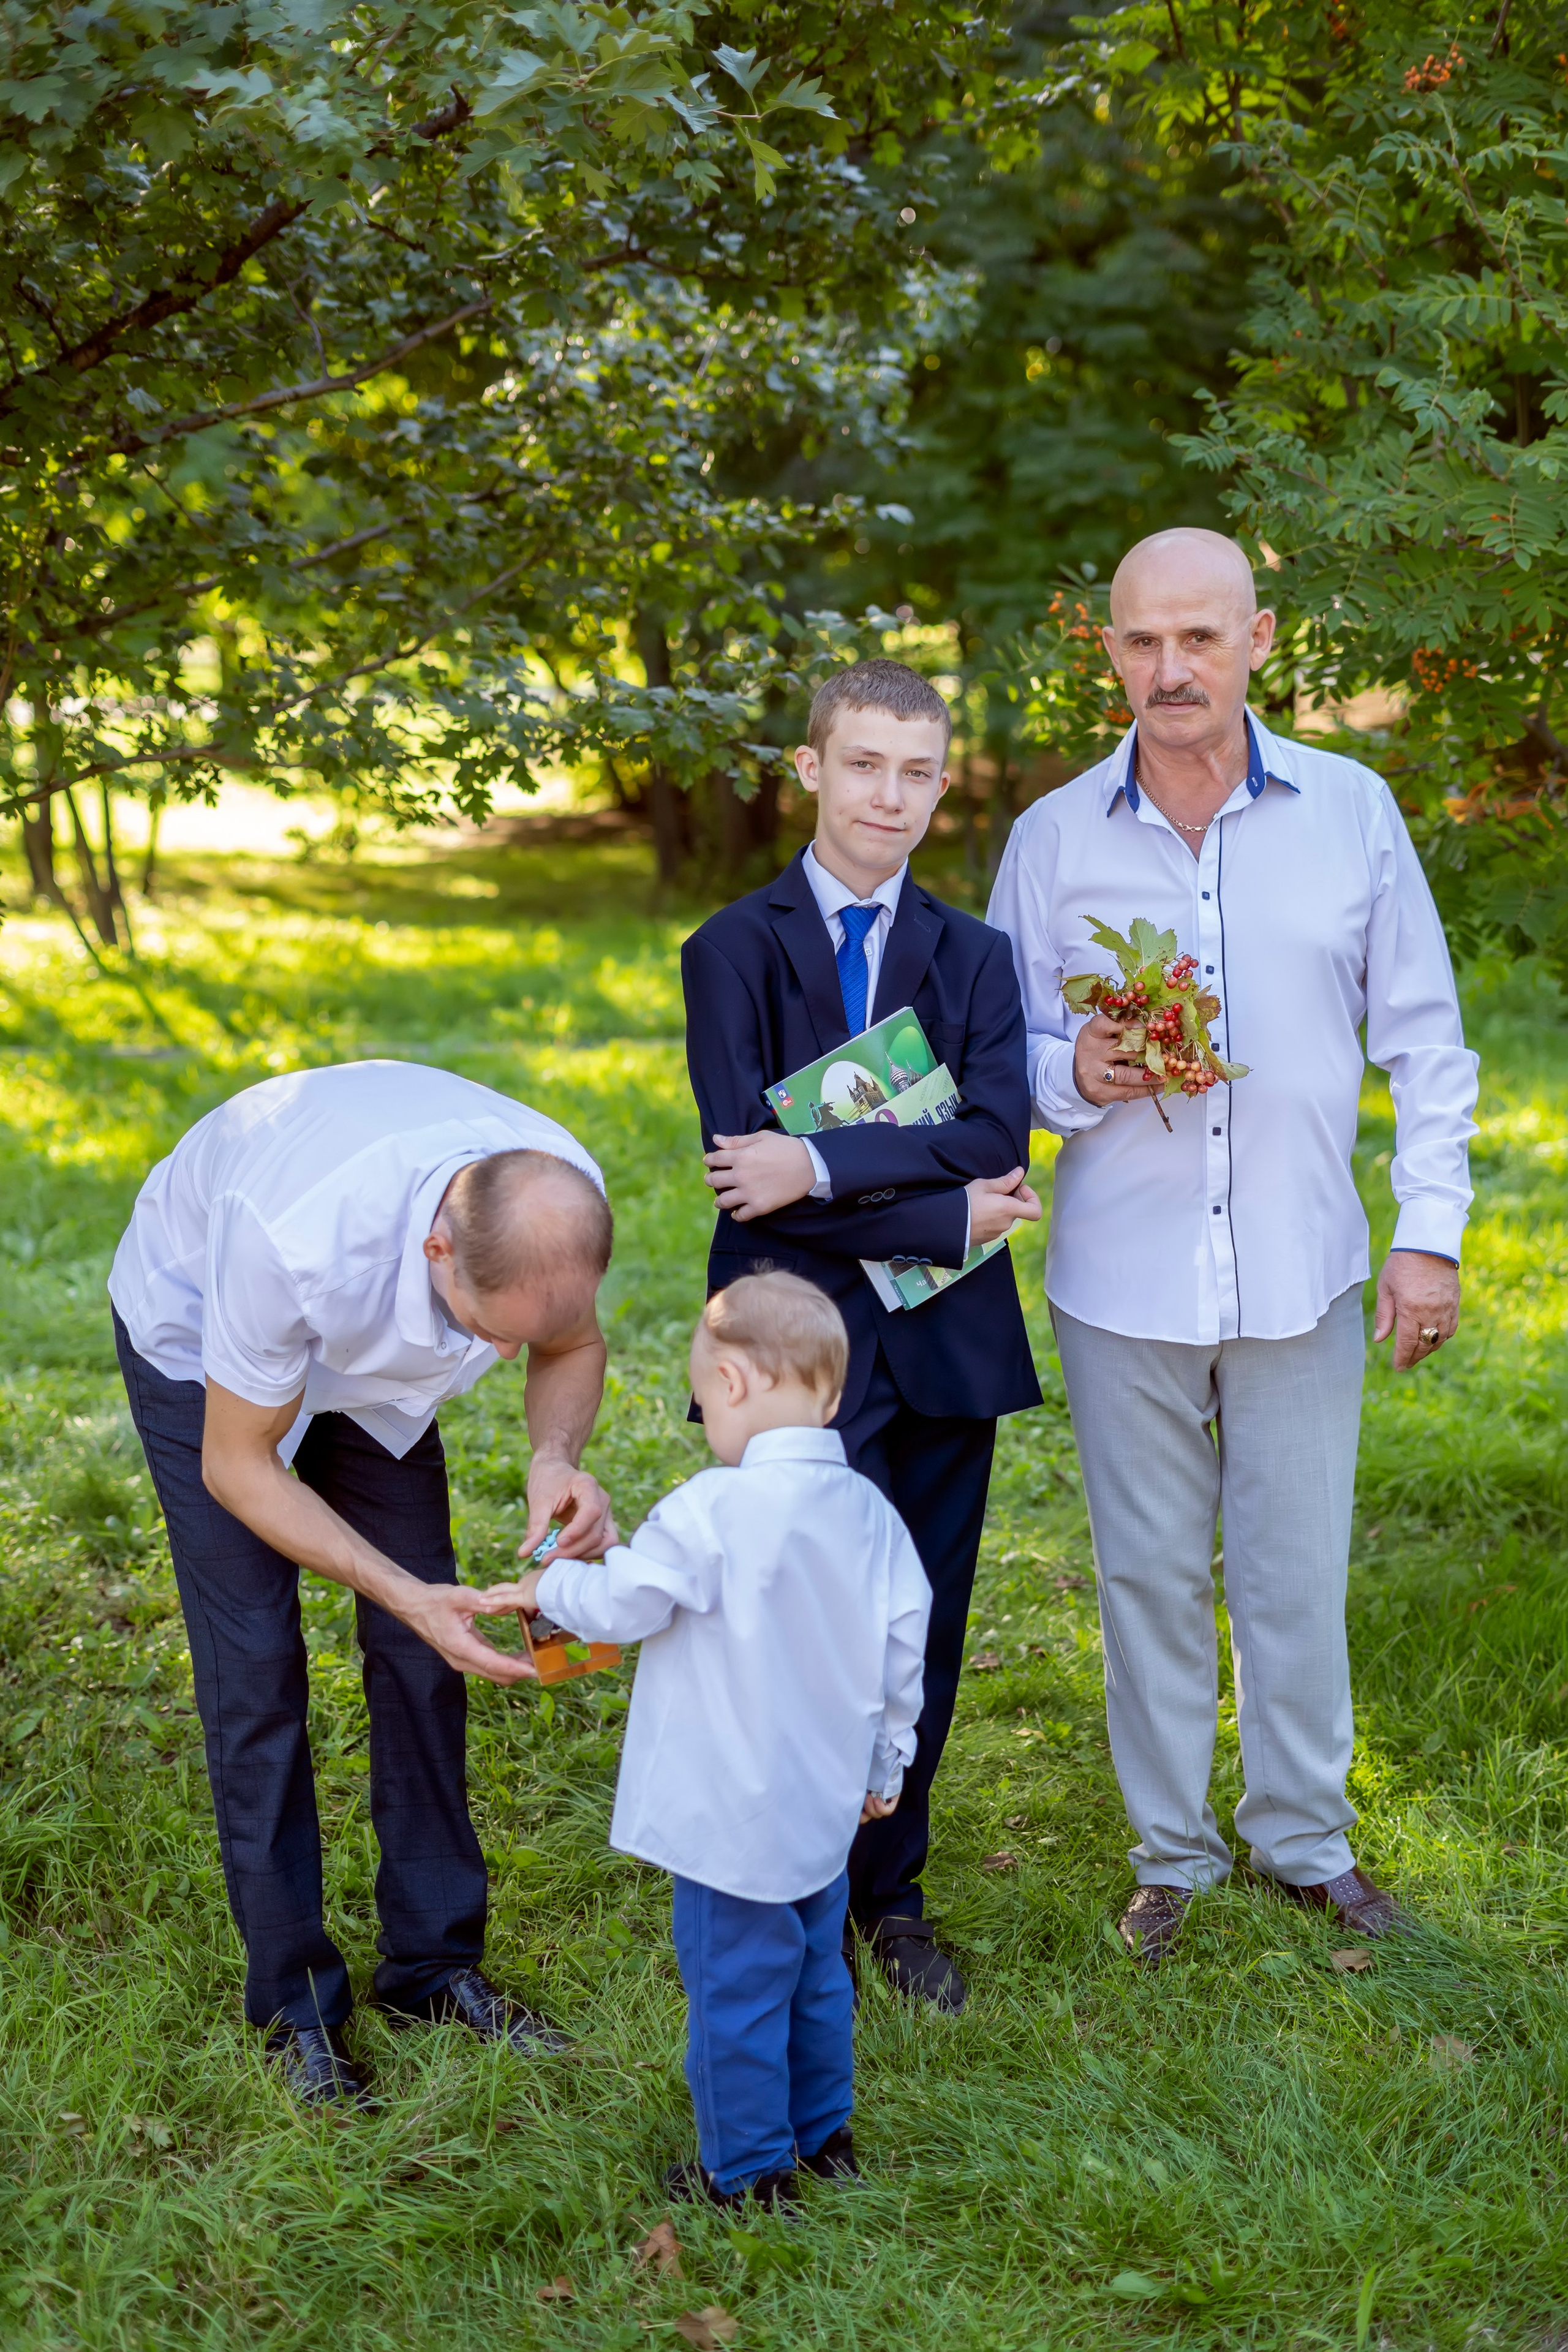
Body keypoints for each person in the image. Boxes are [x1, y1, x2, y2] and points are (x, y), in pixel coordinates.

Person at [987, 527, 1479, 1967]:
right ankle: (1170, 1856)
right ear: (1109, 652)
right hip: (1120, 1279)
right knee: (1144, 1577)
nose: (1169, 669)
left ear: (1256, 641)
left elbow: (1427, 1045)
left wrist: (1428, 1236)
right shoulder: (1051, 837)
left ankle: (1303, 1840)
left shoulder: (1350, 812)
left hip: (1299, 1262)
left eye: (1197, 637)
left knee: (1292, 1571)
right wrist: (1076, 1069)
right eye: (1142, 641)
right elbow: (993, 1051)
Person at [108, 1059, 618, 2105]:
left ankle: (433, 1968)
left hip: (369, 1361)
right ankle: (296, 2006)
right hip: (208, 1342)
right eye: (491, 1329)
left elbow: (571, 1339)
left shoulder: (555, 1198)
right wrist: (400, 1588)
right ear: (438, 1251)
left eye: (518, 1335)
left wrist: (553, 1458)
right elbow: (238, 1466)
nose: (506, 1354)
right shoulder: (294, 1237)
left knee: (425, 1650)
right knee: (256, 1664)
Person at [682, 658, 1042, 2013]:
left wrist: (822, 1163)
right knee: (797, 1628)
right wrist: (941, 1213)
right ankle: (797, 1892)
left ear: (940, 787)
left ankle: (892, 1898)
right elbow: (744, 1174)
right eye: (864, 764)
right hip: (791, 1353)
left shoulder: (975, 956)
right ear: (812, 769)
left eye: (916, 771)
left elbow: (995, 1132)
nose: (888, 795)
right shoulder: (731, 949)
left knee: (917, 1627)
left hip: (944, 1348)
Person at [496, 1273, 930, 2208]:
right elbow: (905, 1649)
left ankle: (747, 2172)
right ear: (830, 1397)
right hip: (823, 1809)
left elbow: (627, 1601)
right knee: (816, 1977)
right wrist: (885, 1763)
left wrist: (551, 1589)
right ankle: (826, 2137)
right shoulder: (874, 1518)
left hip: (729, 1822)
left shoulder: (710, 1511)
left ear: (730, 1385)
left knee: (735, 1993)